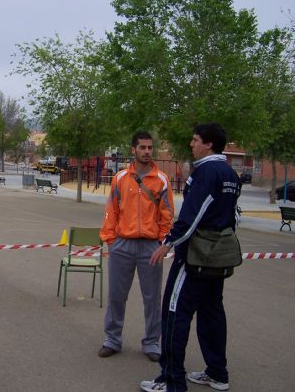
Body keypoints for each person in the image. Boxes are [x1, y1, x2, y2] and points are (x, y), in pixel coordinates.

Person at [140, 123, 242, 392]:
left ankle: (171, 380)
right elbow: (234, 216)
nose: (191, 144)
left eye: (195, 140)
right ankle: (218, 373)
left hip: (195, 259)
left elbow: (193, 214)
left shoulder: (206, 172)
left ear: (209, 144)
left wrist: (169, 242)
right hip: (218, 259)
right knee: (212, 313)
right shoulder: (231, 173)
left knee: (174, 314)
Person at [98, 131, 174, 362]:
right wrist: (110, 240)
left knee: (152, 298)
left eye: (150, 148)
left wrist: (162, 242)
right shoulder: (120, 178)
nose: (147, 152)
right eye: (142, 147)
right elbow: (112, 211)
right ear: (133, 150)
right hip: (122, 245)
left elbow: (167, 214)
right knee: (116, 296)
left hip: (150, 247)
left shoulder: (161, 180)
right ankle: (112, 339)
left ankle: (151, 342)